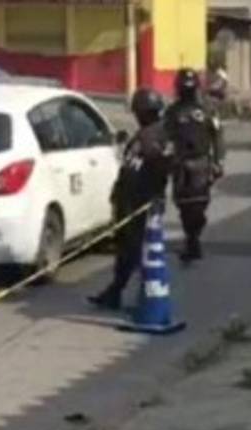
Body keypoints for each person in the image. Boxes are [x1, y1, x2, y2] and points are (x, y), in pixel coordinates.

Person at [89, 89, 172, 311]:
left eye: (138, 112)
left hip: (142, 203)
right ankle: (115, 292)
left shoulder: (159, 136)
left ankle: (139, 297)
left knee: (138, 252)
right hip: (128, 200)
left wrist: (154, 198)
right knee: (126, 249)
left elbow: (162, 169)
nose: (136, 116)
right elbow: (129, 167)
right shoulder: (143, 135)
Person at [164, 67, 225, 263]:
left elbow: (217, 136)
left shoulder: (208, 109)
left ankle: (194, 235)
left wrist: (219, 161)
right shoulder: (172, 112)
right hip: (180, 164)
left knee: (199, 204)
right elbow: (165, 138)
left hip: (201, 162)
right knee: (183, 205)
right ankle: (191, 239)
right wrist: (165, 161)